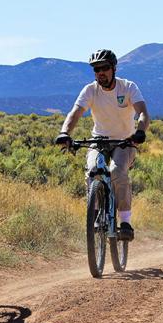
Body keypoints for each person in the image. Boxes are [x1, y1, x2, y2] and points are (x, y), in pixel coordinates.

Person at [55, 49, 150, 241]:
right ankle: (97, 213)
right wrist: (65, 132)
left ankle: (125, 222)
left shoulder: (128, 87)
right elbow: (75, 113)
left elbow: (143, 113)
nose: (101, 72)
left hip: (125, 141)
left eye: (105, 68)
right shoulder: (90, 90)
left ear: (113, 68)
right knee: (93, 170)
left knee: (117, 172)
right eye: (96, 69)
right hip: (99, 139)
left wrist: (140, 131)